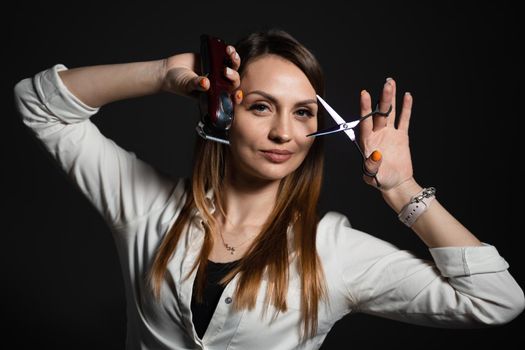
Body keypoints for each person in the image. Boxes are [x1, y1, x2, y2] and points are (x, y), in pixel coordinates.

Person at [14, 29, 524, 350]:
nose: (284, 132)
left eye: (302, 112)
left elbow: (496, 301)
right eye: (260, 106)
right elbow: (39, 104)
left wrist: (401, 188)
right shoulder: (147, 207)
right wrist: (161, 75)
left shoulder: (332, 252)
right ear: (222, 115)